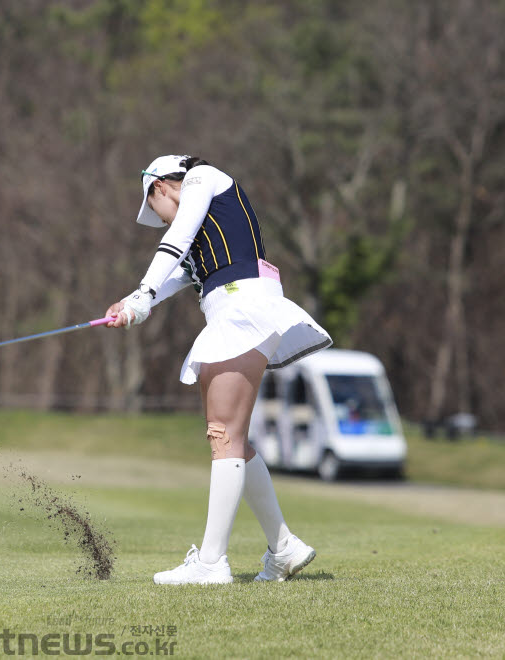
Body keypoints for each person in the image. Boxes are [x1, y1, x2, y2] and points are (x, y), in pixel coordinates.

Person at [105, 155, 332, 585]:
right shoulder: (200, 227)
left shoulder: (201, 178)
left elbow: (178, 235)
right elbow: (179, 273)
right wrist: (134, 302)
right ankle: (284, 548)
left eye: (155, 209)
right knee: (232, 439)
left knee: (223, 435)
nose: (159, 216)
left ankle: (212, 563)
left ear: (160, 188)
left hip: (242, 305)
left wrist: (143, 293)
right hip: (229, 306)